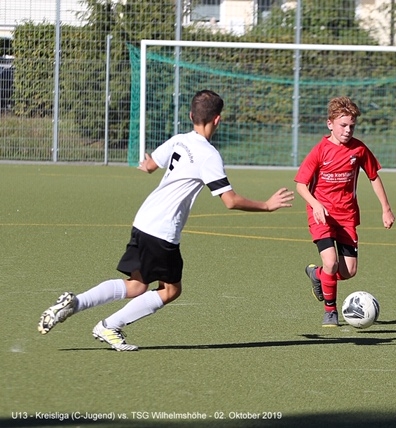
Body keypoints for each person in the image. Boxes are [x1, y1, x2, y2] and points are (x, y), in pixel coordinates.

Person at [37, 89, 294, 351]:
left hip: (144, 219)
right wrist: (266, 205)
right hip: (162, 230)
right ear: (217, 119)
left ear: (191, 115)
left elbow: (150, 165)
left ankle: (76, 303)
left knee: (137, 285)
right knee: (170, 290)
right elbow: (230, 201)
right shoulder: (209, 155)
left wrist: (147, 164)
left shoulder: (179, 140)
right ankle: (108, 325)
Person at [294, 96, 395, 327]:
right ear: (330, 124)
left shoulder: (359, 149)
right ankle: (330, 311)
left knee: (348, 271)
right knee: (331, 262)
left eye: (352, 126)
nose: (348, 130)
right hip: (322, 215)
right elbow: (300, 185)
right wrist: (316, 204)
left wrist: (386, 209)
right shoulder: (320, 151)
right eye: (343, 125)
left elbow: (373, 177)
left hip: (347, 216)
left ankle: (317, 275)